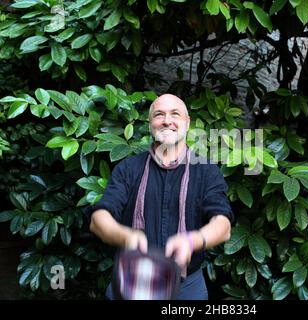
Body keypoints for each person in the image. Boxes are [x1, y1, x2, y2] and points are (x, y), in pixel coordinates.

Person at [87, 93, 234, 300]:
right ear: (150, 124)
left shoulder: (207, 171)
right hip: (130, 282)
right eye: (159, 114)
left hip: (187, 288)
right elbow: (98, 219)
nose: (167, 120)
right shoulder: (128, 168)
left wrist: (193, 241)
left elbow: (223, 225)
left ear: (187, 122)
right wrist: (126, 236)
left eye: (175, 114)